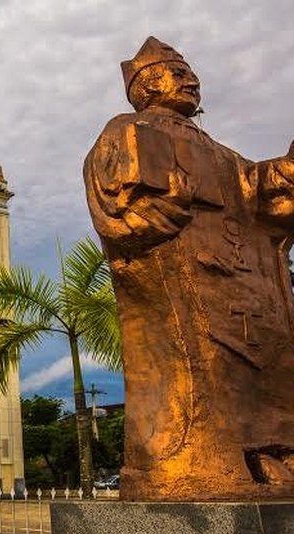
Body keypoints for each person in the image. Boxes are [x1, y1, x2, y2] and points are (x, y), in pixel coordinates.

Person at [84, 36, 294, 501]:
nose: (191, 80)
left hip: (243, 282)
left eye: (190, 72)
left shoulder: (220, 153)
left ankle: (271, 452)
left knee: (271, 363)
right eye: (178, 72)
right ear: (145, 85)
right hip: (187, 277)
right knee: (203, 368)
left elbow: (263, 188)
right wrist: (159, 208)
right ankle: (208, 464)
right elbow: (126, 205)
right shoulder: (129, 132)